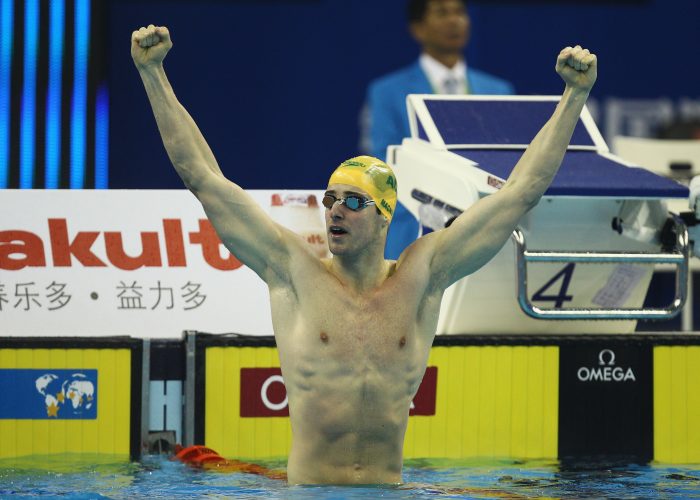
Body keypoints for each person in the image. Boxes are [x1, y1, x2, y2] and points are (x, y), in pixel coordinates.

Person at [131, 24, 596, 485]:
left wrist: (574, 96)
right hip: (310, 494)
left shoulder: (422, 276)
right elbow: (203, 177)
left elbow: (520, 193)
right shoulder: (292, 272)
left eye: (354, 202)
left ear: (385, 217)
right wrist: (153, 74)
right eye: (330, 199)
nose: (336, 210)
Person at [363, 0, 516, 259]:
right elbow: (383, 164)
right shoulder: (387, 92)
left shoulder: (498, 91)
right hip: (413, 231)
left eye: (459, 12)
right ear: (418, 28)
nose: (454, 20)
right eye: (442, 13)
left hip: (485, 233)